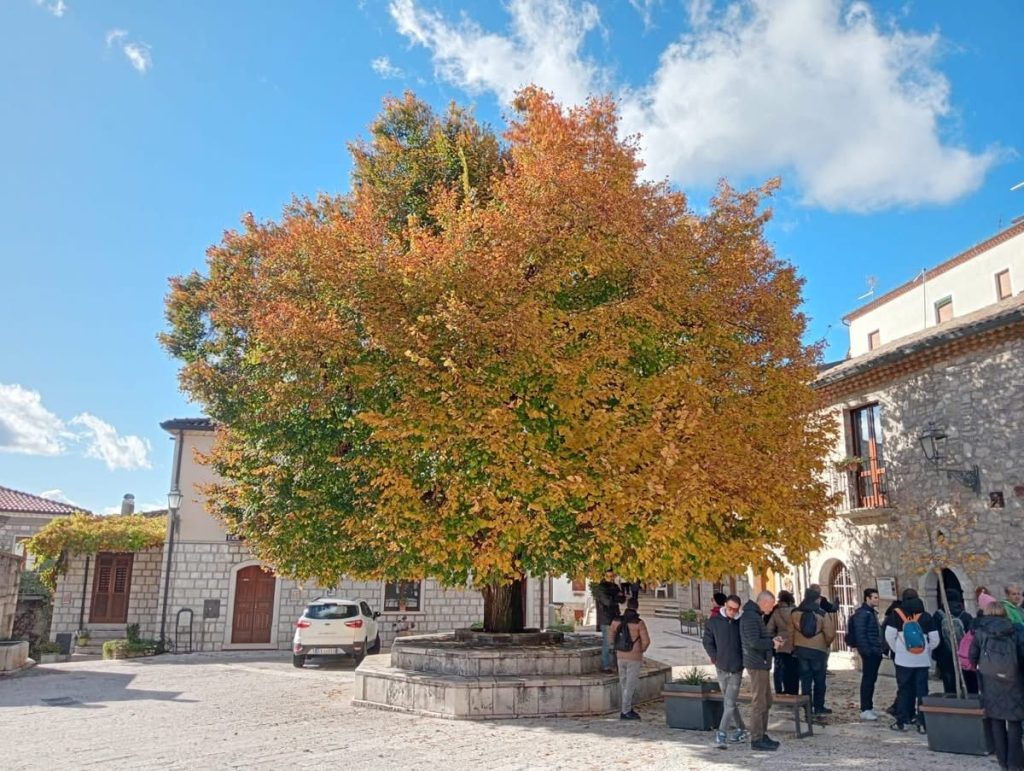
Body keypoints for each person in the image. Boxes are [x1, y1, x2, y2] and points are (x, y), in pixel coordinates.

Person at [968, 599, 1024, 771]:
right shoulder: (1015, 630)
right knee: (1014, 721)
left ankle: (1003, 762)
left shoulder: (979, 631)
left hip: (990, 680)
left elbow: (972, 656)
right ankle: (1016, 763)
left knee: (996, 721)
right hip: (1013, 679)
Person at [885, 592, 939, 732]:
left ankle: (902, 720)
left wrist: (897, 650)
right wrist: (925, 650)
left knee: (904, 690)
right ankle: (922, 722)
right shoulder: (926, 616)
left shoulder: (896, 615)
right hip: (922, 660)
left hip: (903, 660)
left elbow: (889, 635)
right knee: (922, 691)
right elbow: (935, 639)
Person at [740, 590, 784, 752]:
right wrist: (772, 644)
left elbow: (759, 639)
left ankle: (762, 734)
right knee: (759, 702)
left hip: (761, 663)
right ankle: (756, 738)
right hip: (756, 663)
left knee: (766, 701)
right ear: (764, 602)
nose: (772, 608)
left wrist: (772, 640)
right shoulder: (751, 617)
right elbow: (753, 642)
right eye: (771, 605)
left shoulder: (755, 615)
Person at [702, 594, 748, 748]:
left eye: (735, 610)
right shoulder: (714, 622)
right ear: (725, 607)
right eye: (729, 608)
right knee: (730, 701)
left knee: (729, 702)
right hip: (721, 666)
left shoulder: (741, 622)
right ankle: (742, 729)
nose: (732, 612)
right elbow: (707, 641)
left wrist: (743, 661)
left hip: (736, 667)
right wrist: (715, 657)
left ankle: (721, 733)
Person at [792, 587, 836, 715]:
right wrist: (826, 644)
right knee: (819, 679)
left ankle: (807, 707)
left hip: (801, 649)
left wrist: (794, 646)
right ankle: (819, 706)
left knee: (805, 680)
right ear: (817, 599)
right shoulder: (822, 614)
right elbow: (830, 633)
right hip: (818, 650)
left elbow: (790, 631)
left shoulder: (795, 613)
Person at [609, 597, 651, 720]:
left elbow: (610, 635)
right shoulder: (639, 623)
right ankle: (625, 711)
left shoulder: (617, 620)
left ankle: (626, 708)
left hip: (620, 655)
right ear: (636, 607)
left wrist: (615, 646)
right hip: (634, 657)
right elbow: (646, 641)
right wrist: (641, 650)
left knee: (623, 683)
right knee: (630, 684)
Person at [849, 588, 883, 720]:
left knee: (871, 679)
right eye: (874, 597)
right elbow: (860, 634)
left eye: (877, 597)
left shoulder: (870, 613)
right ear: (867, 598)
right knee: (868, 679)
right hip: (870, 651)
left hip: (875, 650)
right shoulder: (863, 614)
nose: (877, 600)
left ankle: (869, 706)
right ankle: (865, 708)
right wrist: (867, 651)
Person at [933, 588, 974, 695]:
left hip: (945, 656)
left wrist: (936, 656)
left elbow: (935, 637)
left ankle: (952, 704)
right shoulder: (966, 616)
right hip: (964, 656)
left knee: (950, 686)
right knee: (969, 684)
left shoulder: (938, 616)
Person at [766, 590, 798, 695]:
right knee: (793, 670)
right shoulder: (796, 612)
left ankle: (781, 691)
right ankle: (794, 692)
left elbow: (769, 629)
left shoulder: (776, 612)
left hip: (780, 644)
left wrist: (775, 638)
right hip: (794, 643)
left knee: (781, 670)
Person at [595, 569, 624, 672]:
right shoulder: (601, 588)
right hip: (606, 619)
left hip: (615, 617)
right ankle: (606, 666)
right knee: (608, 643)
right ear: (604, 576)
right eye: (609, 576)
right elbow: (607, 602)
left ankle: (614, 665)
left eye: (612, 576)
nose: (611, 578)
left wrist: (615, 598)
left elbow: (622, 599)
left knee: (615, 642)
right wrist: (616, 598)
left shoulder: (615, 586)